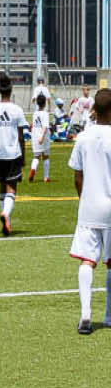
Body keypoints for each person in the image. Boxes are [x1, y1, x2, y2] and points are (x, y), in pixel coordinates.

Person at [68, 87, 111, 335]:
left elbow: (77, 176)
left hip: (89, 207)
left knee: (87, 260)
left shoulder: (84, 137)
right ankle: (108, 316)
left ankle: (85, 315)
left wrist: (83, 197)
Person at [0, 74, 27, 236]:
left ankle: (5, 218)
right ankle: (6, 214)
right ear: (11, 90)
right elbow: (22, 137)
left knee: (2, 187)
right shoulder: (17, 110)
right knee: (12, 189)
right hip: (13, 154)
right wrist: (23, 156)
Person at [29, 92, 52, 183]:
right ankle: (46, 177)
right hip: (43, 137)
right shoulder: (45, 114)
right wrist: (42, 136)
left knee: (36, 157)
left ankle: (33, 169)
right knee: (46, 157)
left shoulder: (34, 114)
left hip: (35, 136)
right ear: (45, 103)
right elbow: (45, 126)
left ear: (37, 103)